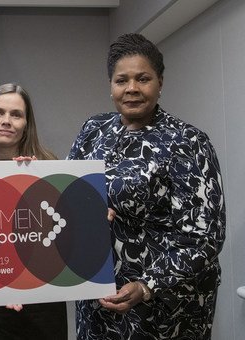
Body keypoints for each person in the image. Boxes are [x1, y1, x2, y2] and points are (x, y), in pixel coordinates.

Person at [68, 33, 226, 339]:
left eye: (143, 79)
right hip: (98, 295)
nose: (132, 89)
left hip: (165, 304)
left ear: (160, 83)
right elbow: (70, 193)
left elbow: (205, 236)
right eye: (121, 80)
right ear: (110, 85)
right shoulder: (93, 130)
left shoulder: (187, 142)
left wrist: (147, 285)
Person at [0, 83, 67, 340]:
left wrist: (36, 184)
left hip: (42, 300)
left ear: (27, 124)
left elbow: (63, 234)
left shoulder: (48, 166)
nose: (6, 121)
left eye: (16, 115)